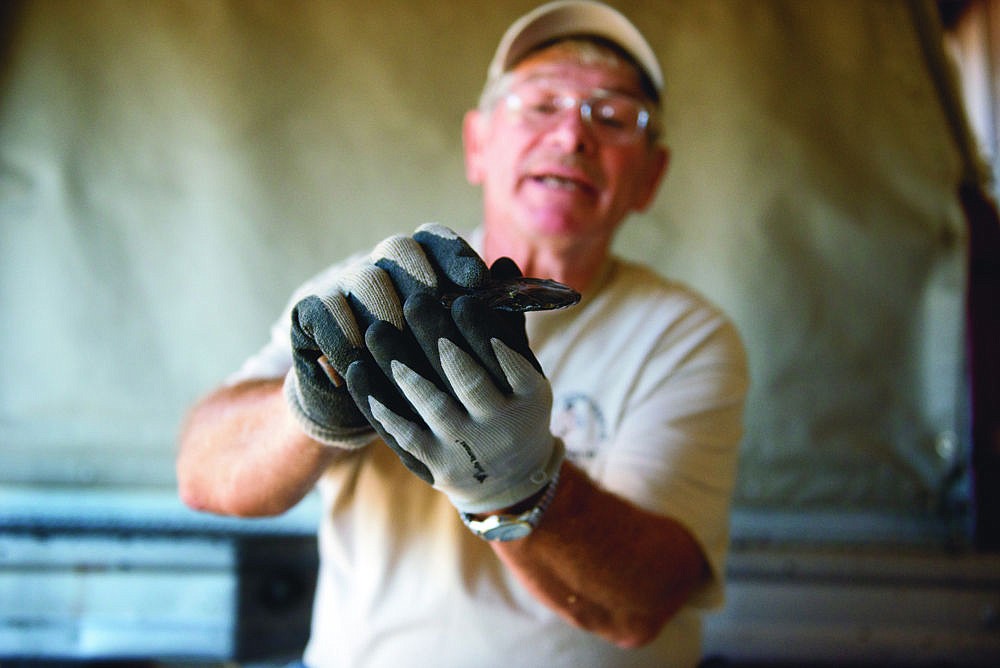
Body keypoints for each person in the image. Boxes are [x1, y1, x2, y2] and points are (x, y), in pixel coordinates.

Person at [177, 2, 749, 666]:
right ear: (478, 144)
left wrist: (524, 484)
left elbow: (640, 606)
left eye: (614, 117)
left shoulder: (684, 337)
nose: (570, 137)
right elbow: (205, 474)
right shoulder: (372, 291)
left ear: (650, 177)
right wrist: (311, 409)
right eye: (538, 106)